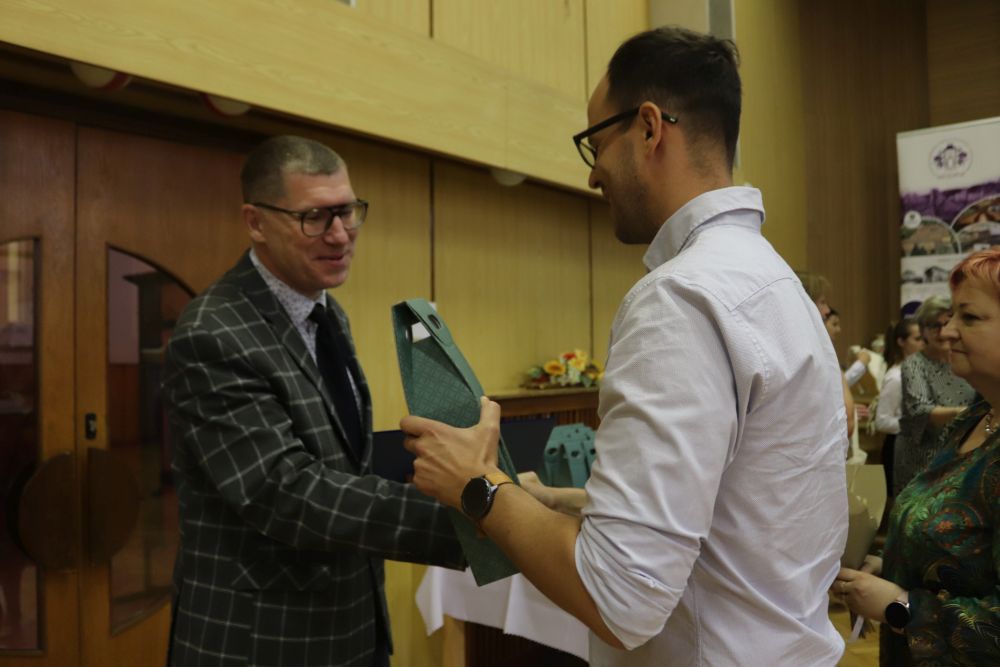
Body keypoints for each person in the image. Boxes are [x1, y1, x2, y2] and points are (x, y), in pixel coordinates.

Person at [401, 27, 849, 665]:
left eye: (595, 144)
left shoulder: (681, 297)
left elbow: (620, 596)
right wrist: (554, 502)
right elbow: (738, 507)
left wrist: (477, 485)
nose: (592, 175)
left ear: (648, 128)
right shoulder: (776, 281)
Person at [162, 136, 463, 667]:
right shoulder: (214, 332)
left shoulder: (326, 313)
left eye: (347, 211)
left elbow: (341, 459)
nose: (340, 234)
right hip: (262, 639)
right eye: (315, 218)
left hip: (351, 624)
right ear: (256, 222)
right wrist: (469, 519)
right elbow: (283, 491)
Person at [834, 249, 1000, 665]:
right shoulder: (975, 418)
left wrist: (902, 606)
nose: (947, 331)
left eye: (969, 317)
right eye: (950, 316)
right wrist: (893, 568)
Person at [892, 295, 976, 494]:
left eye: (947, 323)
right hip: (922, 457)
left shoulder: (965, 359)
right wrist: (967, 413)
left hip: (961, 454)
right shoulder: (914, 364)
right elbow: (919, 410)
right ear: (923, 331)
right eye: (934, 326)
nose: (943, 332)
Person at [873, 318, 923, 495]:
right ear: (901, 342)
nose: (923, 344)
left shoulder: (921, 371)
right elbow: (882, 421)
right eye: (917, 339)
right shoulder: (896, 377)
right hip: (898, 449)